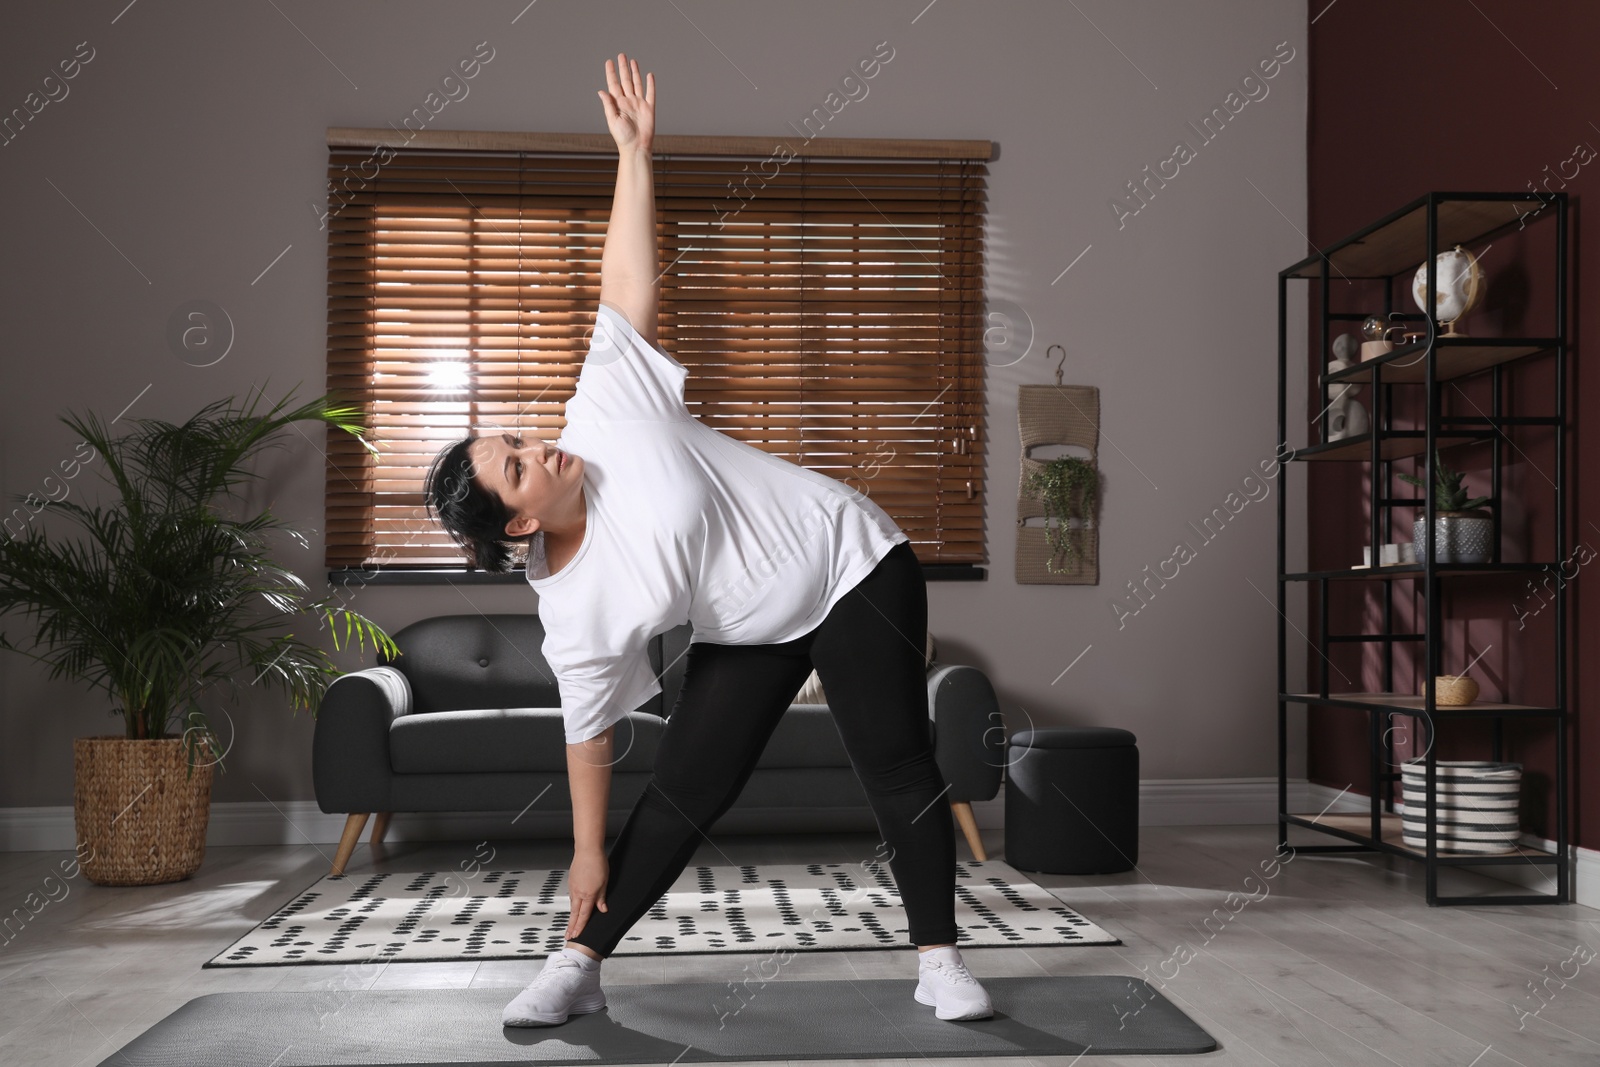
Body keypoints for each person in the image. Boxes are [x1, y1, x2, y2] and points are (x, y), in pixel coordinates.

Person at [423, 51, 993, 1028]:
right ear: (518, 522)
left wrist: (636, 153)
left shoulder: (604, 406)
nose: (539, 447)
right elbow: (589, 734)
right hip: (752, 622)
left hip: (854, 563)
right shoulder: (573, 603)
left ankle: (938, 960)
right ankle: (578, 962)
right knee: (687, 789)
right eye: (517, 465)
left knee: (895, 760)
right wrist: (587, 849)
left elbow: (624, 282)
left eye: (517, 438)